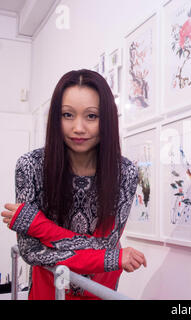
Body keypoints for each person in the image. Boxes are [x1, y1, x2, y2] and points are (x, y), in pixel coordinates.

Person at [1, 69, 147, 300]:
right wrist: (111, 257)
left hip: (100, 287)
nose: (78, 128)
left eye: (91, 116)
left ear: (106, 119)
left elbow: (106, 245)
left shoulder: (125, 172)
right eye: (68, 115)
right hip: (50, 288)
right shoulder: (31, 166)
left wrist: (38, 225)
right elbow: (31, 252)